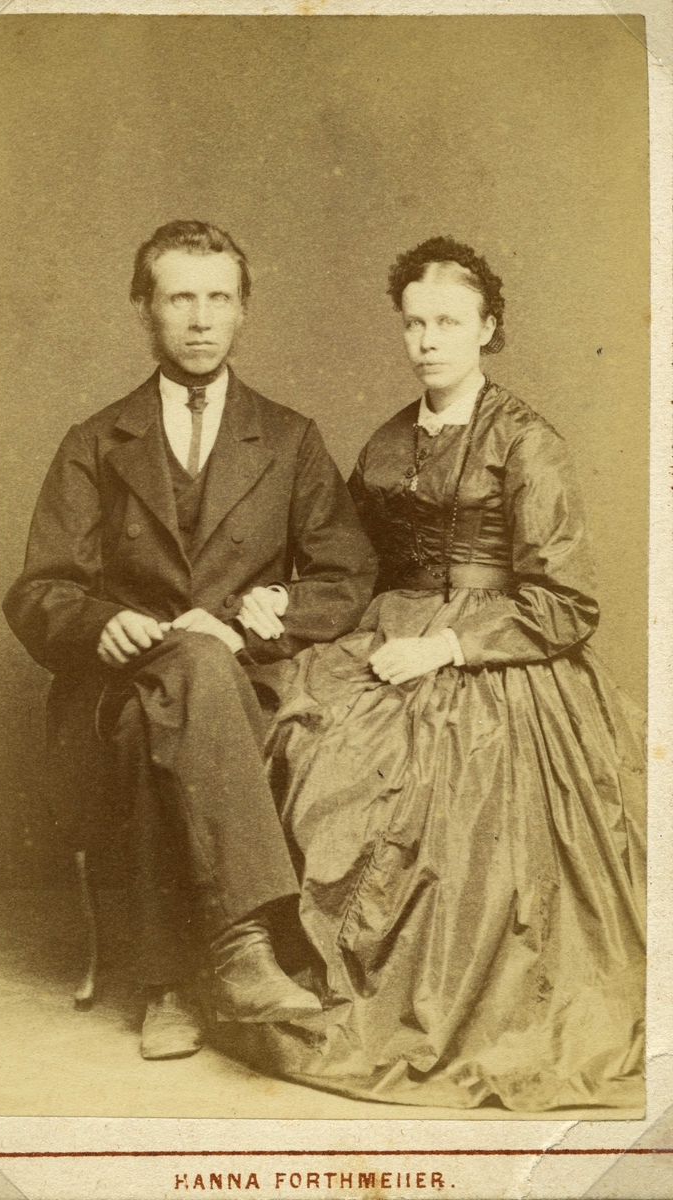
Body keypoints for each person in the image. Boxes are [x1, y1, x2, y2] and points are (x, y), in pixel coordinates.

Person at [254, 236, 646, 1112]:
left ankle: (432, 996)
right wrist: (287, 596)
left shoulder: (528, 442)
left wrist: (446, 647)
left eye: (448, 322)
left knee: (454, 801)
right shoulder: (390, 439)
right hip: (389, 632)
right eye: (414, 323)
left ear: (487, 328)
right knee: (308, 736)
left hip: (501, 658)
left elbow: (567, 603)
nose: (428, 340)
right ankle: (301, 969)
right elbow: (350, 560)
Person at [3, 220, 377, 1062]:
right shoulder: (95, 440)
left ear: (243, 310)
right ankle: (241, 954)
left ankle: (173, 981)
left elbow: (347, 575)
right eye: (179, 298)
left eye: (218, 298)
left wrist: (251, 614)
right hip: (121, 687)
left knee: (194, 681)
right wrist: (100, 622)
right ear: (144, 309)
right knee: (161, 702)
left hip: (250, 681)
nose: (201, 319)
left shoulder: (290, 437)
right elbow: (38, 591)